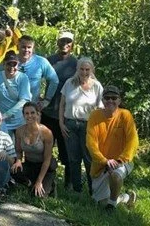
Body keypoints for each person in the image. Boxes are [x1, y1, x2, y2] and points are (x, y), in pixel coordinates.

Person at [86, 85, 138, 210]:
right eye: (107, 98)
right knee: (100, 203)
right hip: (101, 164)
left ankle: (112, 206)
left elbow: (133, 140)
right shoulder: (94, 116)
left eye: (114, 98)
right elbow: (90, 143)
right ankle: (125, 197)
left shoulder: (125, 115)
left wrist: (121, 160)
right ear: (102, 100)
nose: (110, 101)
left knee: (115, 175)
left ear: (119, 100)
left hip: (122, 162)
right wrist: (105, 161)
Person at [58, 57, 104, 194]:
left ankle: (93, 190)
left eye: (87, 69)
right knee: (73, 159)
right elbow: (62, 105)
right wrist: (61, 123)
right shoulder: (69, 83)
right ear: (77, 70)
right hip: (70, 124)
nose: (84, 72)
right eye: (82, 69)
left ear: (92, 70)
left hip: (88, 126)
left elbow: (100, 109)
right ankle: (76, 190)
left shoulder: (97, 86)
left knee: (89, 159)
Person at [43, 30, 77, 188]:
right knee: (45, 149)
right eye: (62, 41)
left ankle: (69, 183)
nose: (65, 44)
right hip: (48, 112)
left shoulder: (76, 64)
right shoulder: (49, 60)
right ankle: (45, 180)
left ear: (72, 44)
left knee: (67, 151)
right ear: (57, 42)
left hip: (66, 114)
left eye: (68, 41)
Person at [11, 102, 57, 197]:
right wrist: (19, 160)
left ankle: (50, 185)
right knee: (13, 171)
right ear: (23, 115)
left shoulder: (46, 132)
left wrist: (39, 181)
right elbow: (18, 151)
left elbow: (47, 159)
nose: (29, 116)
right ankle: (30, 182)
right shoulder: (19, 131)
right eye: (26, 113)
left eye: (32, 113)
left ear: (38, 114)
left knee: (38, 196)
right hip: (30, 164)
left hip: (45, 166)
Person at [0, 52, 31, 137]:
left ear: (18, 65)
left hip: (19, 121)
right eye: (9, 64)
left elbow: (24, 100)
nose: (12, 67)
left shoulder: (23, 78)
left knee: (19, 148)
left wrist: (6, 115)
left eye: (14, 64)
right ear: (4, 64)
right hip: (1, 122)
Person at [17, 35, 58, 108]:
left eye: (29, 47)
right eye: (23, 47)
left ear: (33, 48)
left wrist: (47, 100)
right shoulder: (11, 61)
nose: (26, 50)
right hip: (11, 108)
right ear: (18, 47)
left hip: (32, 108)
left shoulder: (41, 61)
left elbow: (54, 80)